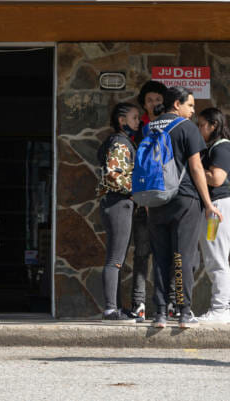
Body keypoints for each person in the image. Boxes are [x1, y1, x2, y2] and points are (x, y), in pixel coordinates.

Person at [146, 87, 222, 329]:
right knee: (182, 256)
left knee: (160, 257)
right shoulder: (186, 127)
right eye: (190, 105)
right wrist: (208, 203)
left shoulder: (151, 126)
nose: (192, 111)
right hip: (184, 198)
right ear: (177, 104)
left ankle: (159, 313)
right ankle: (183, 311)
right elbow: (196, 168)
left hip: (156, 199)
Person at [127, 80, 168, 322]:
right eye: (150, 100)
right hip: (143, 200)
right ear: (144, 104)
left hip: (167, 199)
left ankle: (170, 303)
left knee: (168, 254)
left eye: (158, 100)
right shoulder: (137, 129)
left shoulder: (172, 127)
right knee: (141, 253)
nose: (154, 104)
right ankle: (138, 303)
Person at [96, 102, 141, 322]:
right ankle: (110, 310)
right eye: (134, 118)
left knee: (118, 259)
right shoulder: (121, 143)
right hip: (118, 204)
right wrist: (135, 192)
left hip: (115, 203)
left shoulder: (118, 141)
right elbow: (114, 175)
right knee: (115, 259)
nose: (138, 122)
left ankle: (116, 308)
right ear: (122, 121)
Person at [196, 107, 230, 324]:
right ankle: (220, 308)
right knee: (214, 258)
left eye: (202, 125)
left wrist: (195, 170)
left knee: (217, 259)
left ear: (213, 125)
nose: (199, 129)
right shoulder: (214, 148)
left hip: (218, 209)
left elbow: (216, 179)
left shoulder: (222, 148)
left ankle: (221, 309)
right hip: (216, 208)